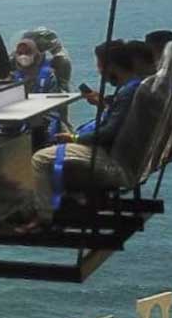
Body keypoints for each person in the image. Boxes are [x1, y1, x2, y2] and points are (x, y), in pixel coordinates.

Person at [29, 41, 142, 223]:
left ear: (112, 66)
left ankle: (43, 217)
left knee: (39, 158)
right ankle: (62, 199)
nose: (99, 71)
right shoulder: (132, 87)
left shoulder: (128, 92)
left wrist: (75, 138)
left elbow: (108, 133)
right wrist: (104, 104)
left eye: (100, 66)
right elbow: (119, 117)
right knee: (54, 142)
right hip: (117, 151)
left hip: (110, 156)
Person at [11, 38, 66, 145]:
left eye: (27, 53)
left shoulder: (49, 74)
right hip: (20, 119)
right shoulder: (13, 76)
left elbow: (54, 107)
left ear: (35, 53)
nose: (23, 56)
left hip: (44, 119)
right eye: (20, 53)